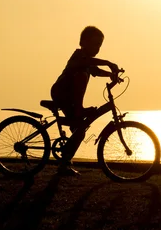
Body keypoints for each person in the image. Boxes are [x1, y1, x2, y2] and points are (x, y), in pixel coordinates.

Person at [49, 25, 119, 176]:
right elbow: (88, 63)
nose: (96, 48)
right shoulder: (78, 57)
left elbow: (95, 70)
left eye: (99, 45)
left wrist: (111, 75)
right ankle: (79, 109)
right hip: (61, 94)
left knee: (79, 131)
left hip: (69, 98)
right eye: (94, 44)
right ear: (82, 42)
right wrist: (108, 62)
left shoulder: (87, 63)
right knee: (81, 77)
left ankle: (65, 163)